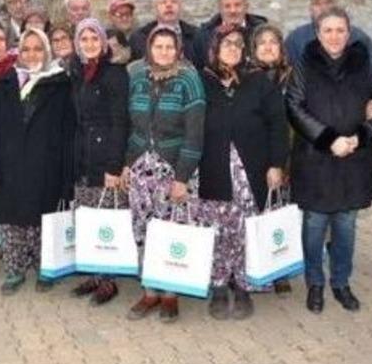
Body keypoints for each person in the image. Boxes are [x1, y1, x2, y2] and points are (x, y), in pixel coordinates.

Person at [285, 7, 372, 314]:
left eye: (340, 30)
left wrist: (362, 135)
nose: (334, 36)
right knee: (315, 223)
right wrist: (329, 139)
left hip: (354, 157)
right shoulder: (304, 62)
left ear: (349, 32)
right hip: (315, 156)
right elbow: (294, 106)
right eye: (327, 30)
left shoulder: (365, 62)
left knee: (346, 223)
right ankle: (315, 283)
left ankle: (341, 282)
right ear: (318, 33)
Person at [197, 25, 289, 320]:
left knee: (247, 227)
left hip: (252, 169)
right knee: (218, 228)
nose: (233, 48)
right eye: (227, 43)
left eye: (238, 44)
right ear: (215, 48)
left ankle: (243, 286)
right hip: (213, 167)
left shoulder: (258, 80)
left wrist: (276, 164)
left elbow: (277, 125)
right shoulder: (203, 80)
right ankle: (219, 285)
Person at [0, 29, 75, 295]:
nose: (32, 54)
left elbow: (69, 133)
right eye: (26, 49)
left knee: (43, 221)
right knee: (11, 221)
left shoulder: (61, 85)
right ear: (18, 53)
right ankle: (14, 271)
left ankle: (45, 267)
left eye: (38, 49)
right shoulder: (3, 85)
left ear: (47, 52)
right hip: (9, 166)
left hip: (46, 167)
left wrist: (67, 177)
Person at [125, 26, 205, 323]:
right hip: (141, 167)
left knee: (171, 231)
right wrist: (127, 163)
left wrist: (182, 177)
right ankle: (149, 291)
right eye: (158, 46)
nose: (164, 52)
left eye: (169, 47)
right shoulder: (137, 78)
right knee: (143, 229)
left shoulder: (189, 80)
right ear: (149, 49)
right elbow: (129, 125)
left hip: (174, 169)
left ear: (178, 50)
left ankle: (170, 294)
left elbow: (195, 133)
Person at [68, 18, 129, 306]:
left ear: (103, 43)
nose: (90, 44)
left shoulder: (115, 73)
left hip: (104, 156)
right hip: (82, 154)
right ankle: (94, 272)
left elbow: (120, 122)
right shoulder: (76, 72)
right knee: (86, 216)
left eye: (95, 39)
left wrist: (114, 166)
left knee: (106, 219)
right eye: (84, 39)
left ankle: (108, 280)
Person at [249, 22, 295, 295]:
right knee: (256, 211)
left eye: (273, 42)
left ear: (281, 47)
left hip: (287, 153)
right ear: (253, 49)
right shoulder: (246, 77)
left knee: (280, 213)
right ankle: (256, 265)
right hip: (255, 154)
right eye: (262, 42)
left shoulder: (293, 77)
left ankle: (280, 270)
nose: (268, 47)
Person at [284, 0, 372, 68]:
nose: (323, 8)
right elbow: (287, 72)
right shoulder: (296, 38)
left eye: (328, 2)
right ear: (310, 9)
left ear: (336, 6)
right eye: (317, 3)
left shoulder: (358, 38)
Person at [193, 0, 268, 68]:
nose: (233, 10)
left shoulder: (262, 32)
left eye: (237, 5)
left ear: (246, 7)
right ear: (220, 9)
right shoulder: (204, 35)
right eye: (227, 6)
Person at [128, 0, 200, 62]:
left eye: (174, 2)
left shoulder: (197, 35)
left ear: (180, 7)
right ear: (155, 9)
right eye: (163, 2)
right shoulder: (139, 37)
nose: (169, 5)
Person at [105, 0, 137, 65]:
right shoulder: (105, 39)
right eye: (119, 14)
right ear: (110, 17)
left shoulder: (140, 35)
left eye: (128, 14)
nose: (125, 18)